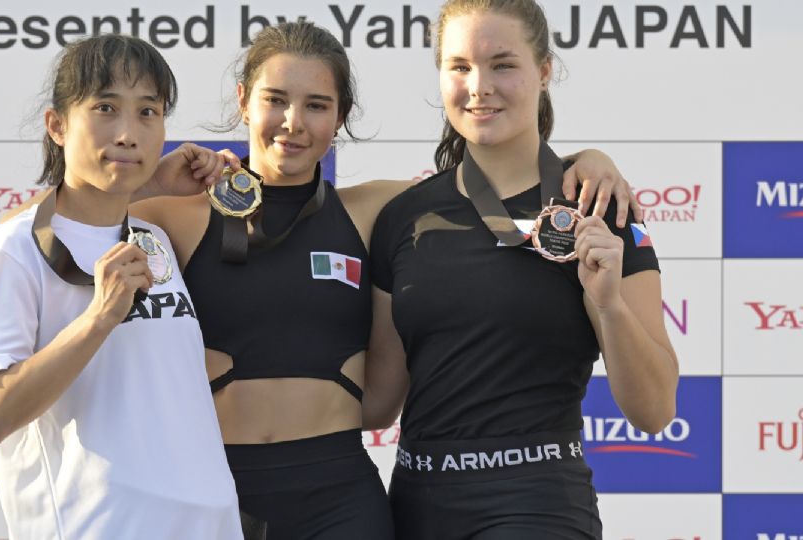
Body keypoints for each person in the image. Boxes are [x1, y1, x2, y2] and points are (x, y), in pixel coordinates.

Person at [128, 21, 642, 540]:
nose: (292, 123)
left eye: (316, 105)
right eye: (275, 100)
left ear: (340, 117)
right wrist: (147, 181)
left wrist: (588, 163)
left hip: (340, 500)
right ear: (243, 100)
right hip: (211, 489)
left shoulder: (377, 209)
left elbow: (495, 179)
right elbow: (54, 233)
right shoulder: (175, 216)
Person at [364, 1, 680, 539]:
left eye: (503, 64)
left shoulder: (599, 209)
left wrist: (608, 305)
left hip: (536, 503)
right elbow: (377, 400)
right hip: (417, 502)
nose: (479, 86)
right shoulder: (403, 216)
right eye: (459, 66)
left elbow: (654, 412)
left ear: (545, 70)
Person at [0, 34, 243, 540]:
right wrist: (98, 318)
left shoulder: (154, 240)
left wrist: (147, 187)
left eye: (148, 112)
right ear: (57, 125)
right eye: (106, 108)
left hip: (208, 524)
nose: (129, 133)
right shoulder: (14, 249)